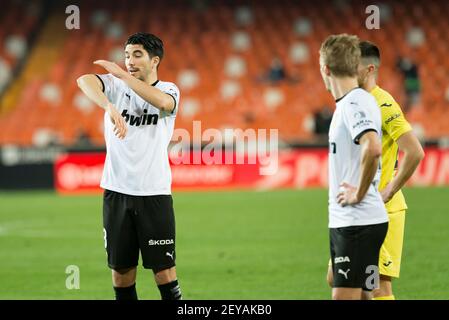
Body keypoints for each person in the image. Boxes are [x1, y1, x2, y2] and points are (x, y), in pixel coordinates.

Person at [76, 32, 182, 300]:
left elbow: (162, 103)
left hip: (154, 193)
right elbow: (84, 80)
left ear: (154, 60)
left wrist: (124, 76)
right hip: (117, 193)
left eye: (137, 55)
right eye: (126, 55)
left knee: (164, 271)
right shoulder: (114, 86)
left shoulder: (169, 89)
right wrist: (108, 106)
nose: (129, 61)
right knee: (121, 273)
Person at [327, 41, 424, 300]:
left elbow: (414, 151)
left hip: (381, 208)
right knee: (338, 280)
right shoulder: (352, 101)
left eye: (353, 66)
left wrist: (390, 190)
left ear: (369, 69)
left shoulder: (384, 104)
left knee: (378, 287)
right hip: (355, 212)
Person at [319, 34, 389, 300]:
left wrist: (358, 193)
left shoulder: (354, 102)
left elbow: (372, 147)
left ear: (326, 69)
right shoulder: (350, 102)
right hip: (349, 220)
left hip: (358, 220)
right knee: (361, 295)